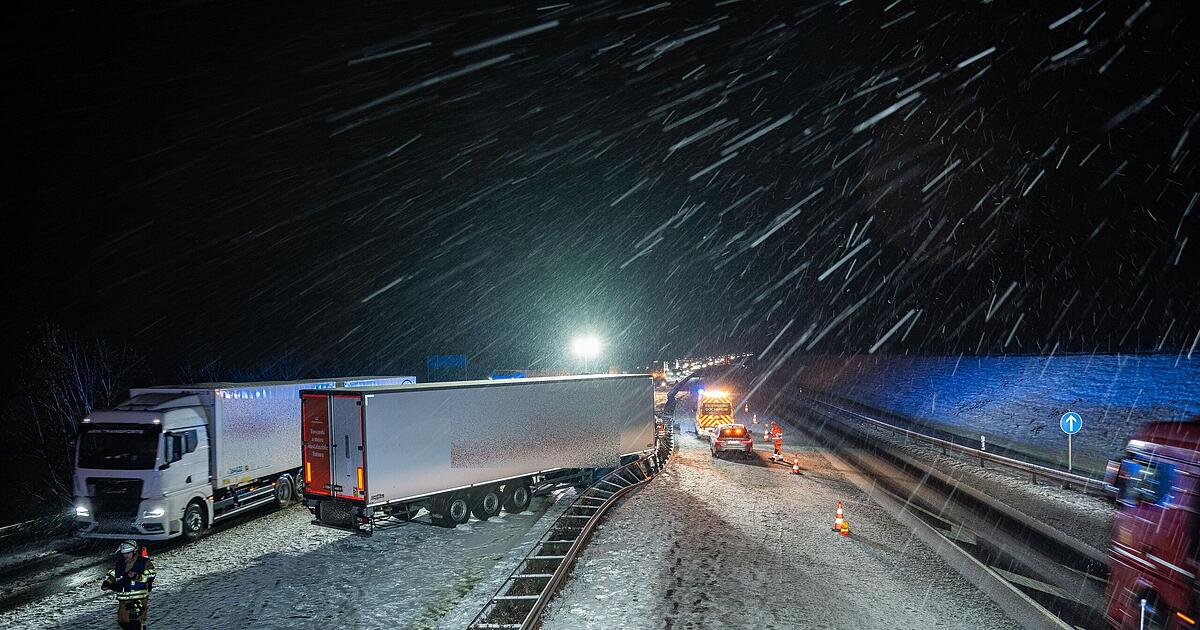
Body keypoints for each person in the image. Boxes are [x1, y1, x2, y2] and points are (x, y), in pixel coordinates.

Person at [101, 540, 156, 630]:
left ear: (134, 551)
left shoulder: (143, 562)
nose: (125, 556)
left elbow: (151, 576)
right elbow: (112, 574)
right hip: (123, 600)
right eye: (124, 553)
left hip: (139, 599)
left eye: (128, 553)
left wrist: (136, 576)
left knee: (135, 622)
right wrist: (107, 582)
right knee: (124, 623)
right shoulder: (119, 564)